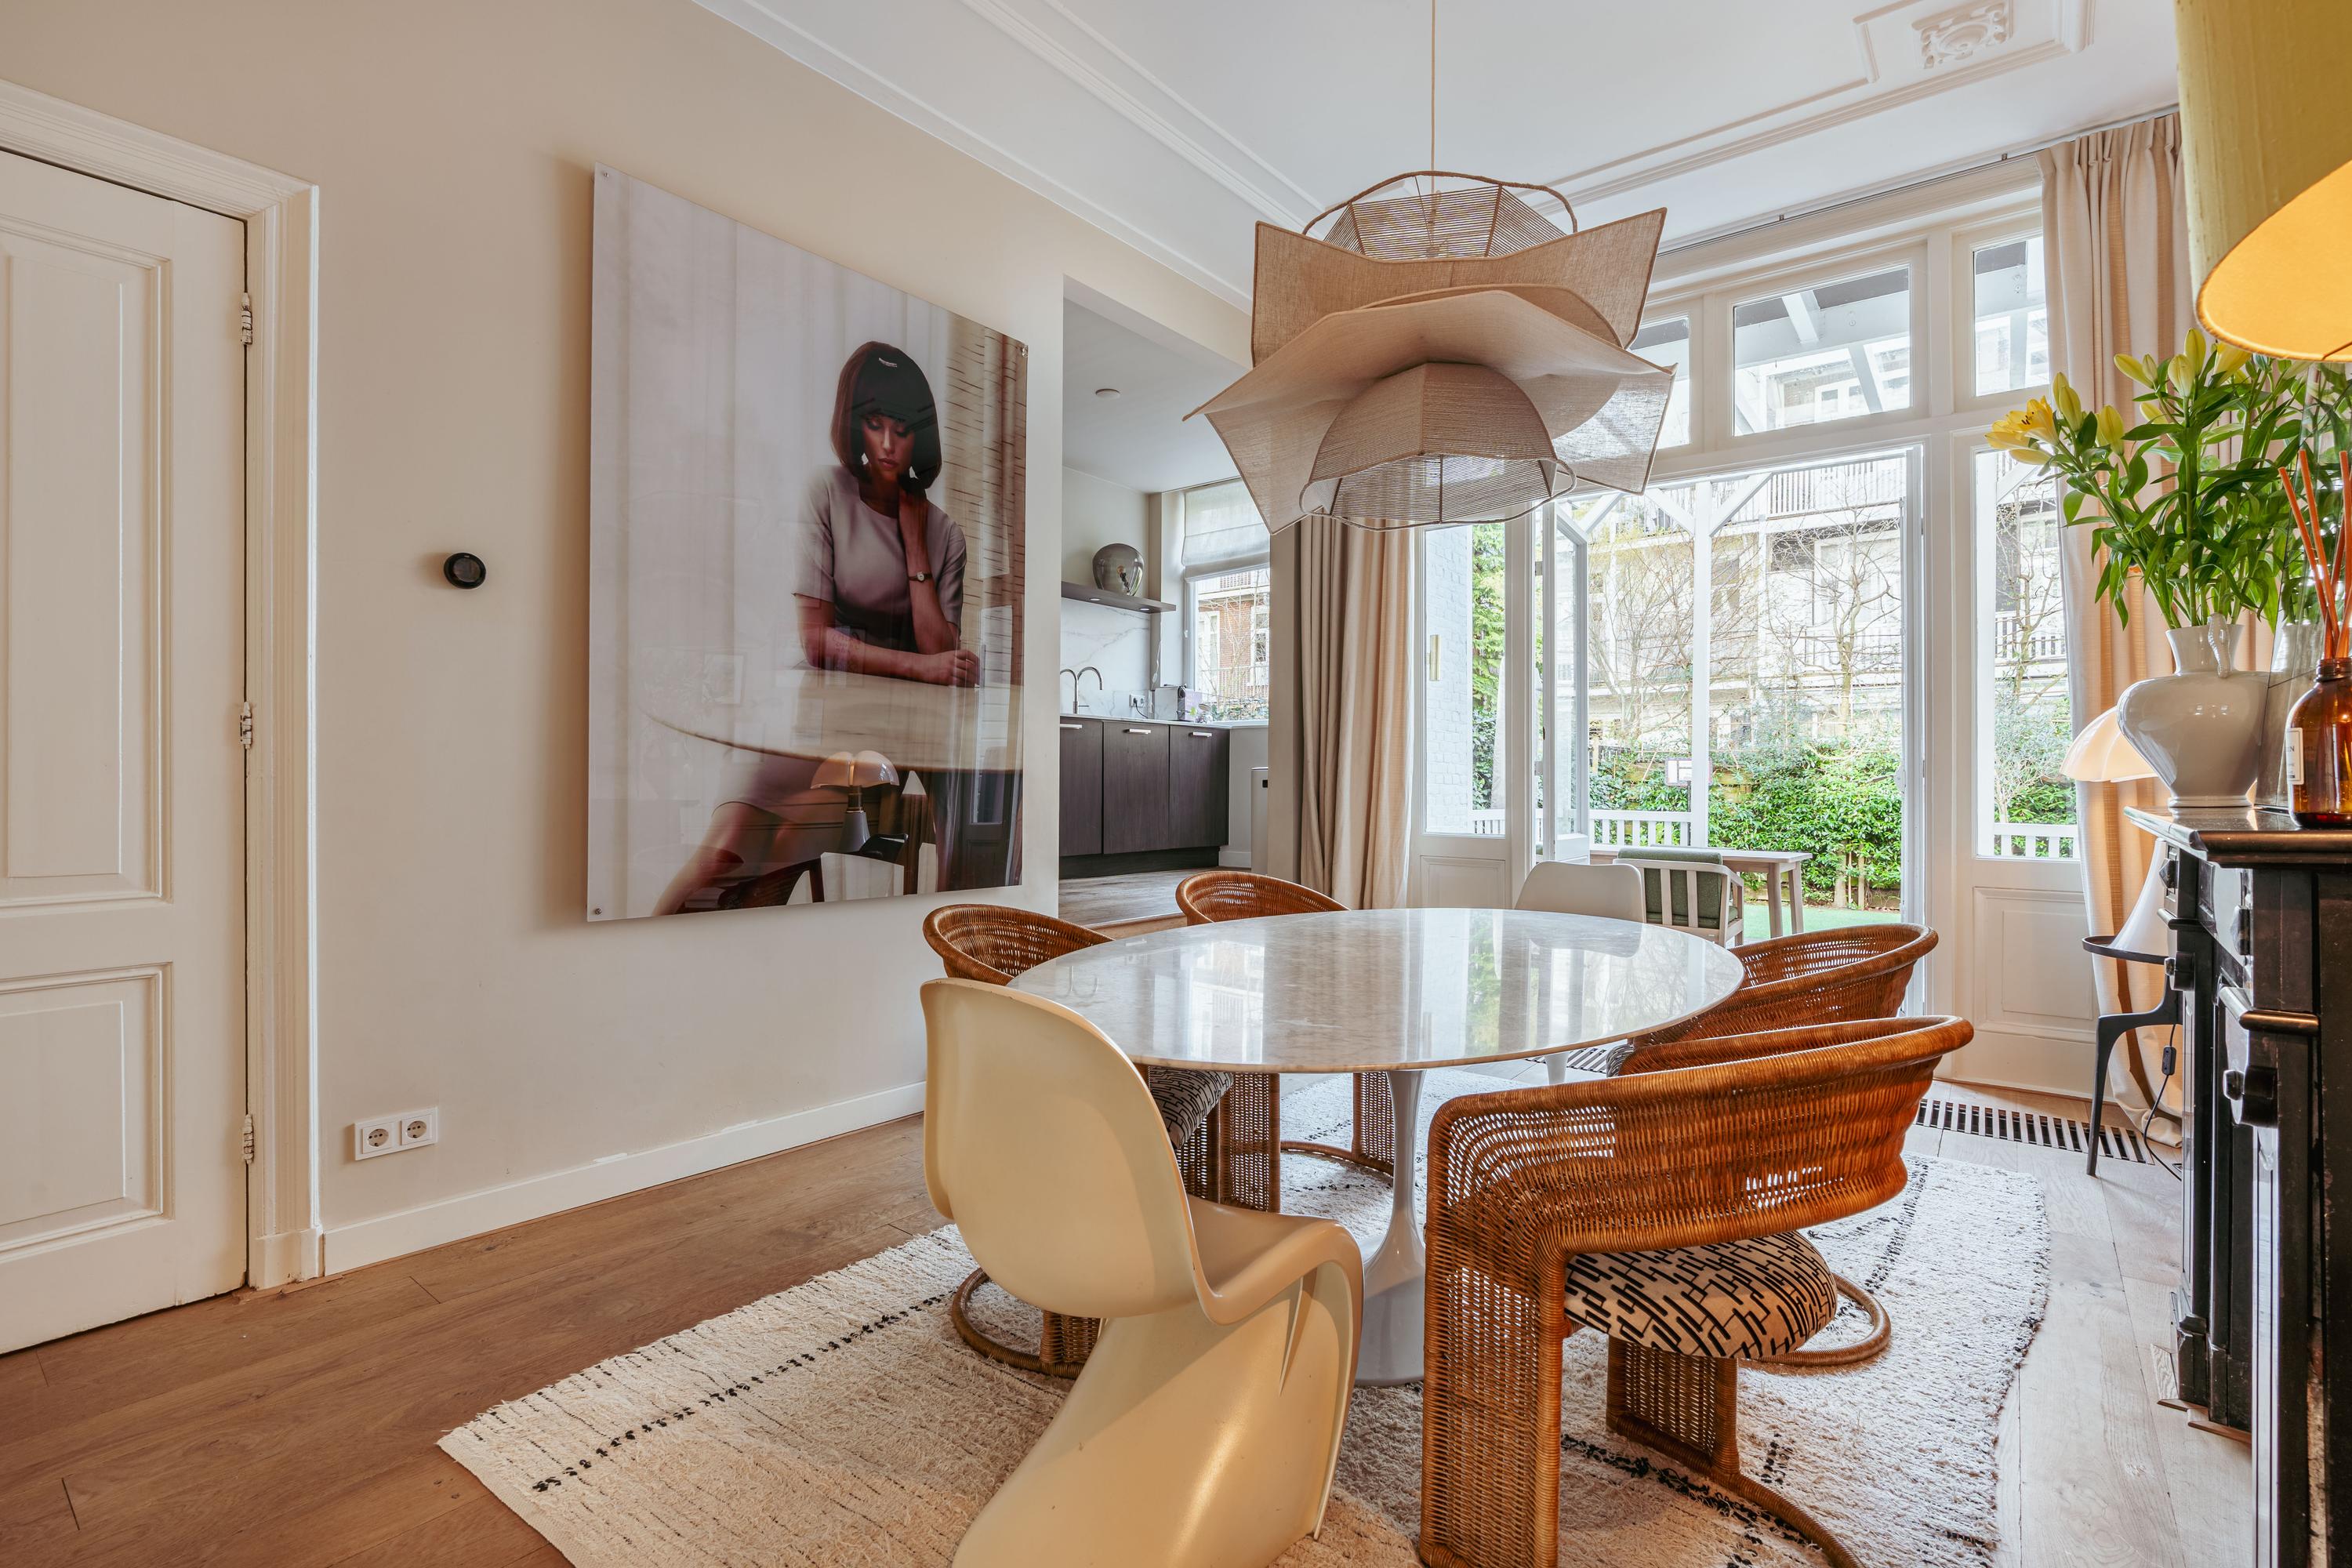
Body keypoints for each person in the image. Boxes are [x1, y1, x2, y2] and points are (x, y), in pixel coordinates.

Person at [655, 343, 984, 915]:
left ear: (921, 437)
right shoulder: (826, 492)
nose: (887, 444)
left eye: (902, 429)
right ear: (854, 425)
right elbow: (816, 641)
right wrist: (921, 666)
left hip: (889, 732)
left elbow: (942, 653)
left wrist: (913, 542)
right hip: (810, 712)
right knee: (722, 854)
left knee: (782, 848)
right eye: (874, 424)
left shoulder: (945, 534)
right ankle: (644, 960)